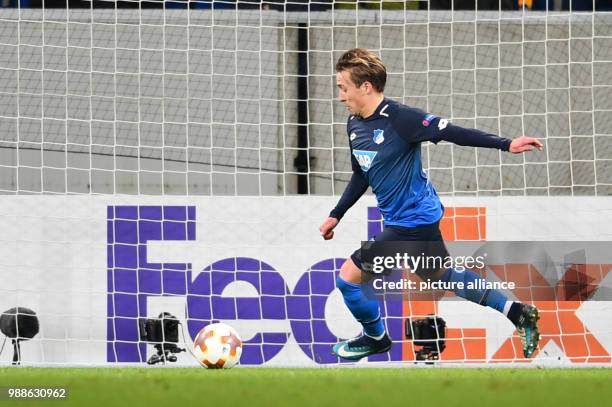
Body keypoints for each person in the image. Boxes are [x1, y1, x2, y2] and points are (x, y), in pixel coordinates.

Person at [320, 48, 543, 361]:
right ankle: (519, 313)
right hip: (410, 221)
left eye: (343, 88)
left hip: (412, 224)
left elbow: (454, 133)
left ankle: (375, 338)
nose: (341, 96)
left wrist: (506, 144)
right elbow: (361, 173)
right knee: (444, 277)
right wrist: (336, 215)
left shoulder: (402, 119)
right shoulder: (354, 125)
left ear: (365, 87)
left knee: (347, 279)